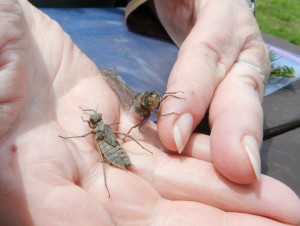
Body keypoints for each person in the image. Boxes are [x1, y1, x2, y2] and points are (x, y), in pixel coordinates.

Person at [0, 0, 299, 225]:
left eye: (93, 120)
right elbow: (102, 137)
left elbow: (106, 136)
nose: (93, 122)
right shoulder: (100, 128)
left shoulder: (105, 127)